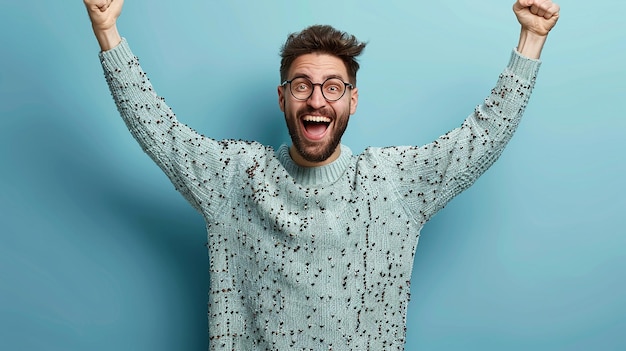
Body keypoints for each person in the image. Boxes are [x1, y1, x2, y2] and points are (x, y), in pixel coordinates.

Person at [83, 0, 560, 349]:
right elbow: (158, 129)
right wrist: (107, 30)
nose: (316, 100)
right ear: (282, 98)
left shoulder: (392, 184)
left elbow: (480, 138)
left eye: (333, 87)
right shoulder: (234, 177)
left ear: (352, 100)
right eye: (302, 86)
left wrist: (531, 39)